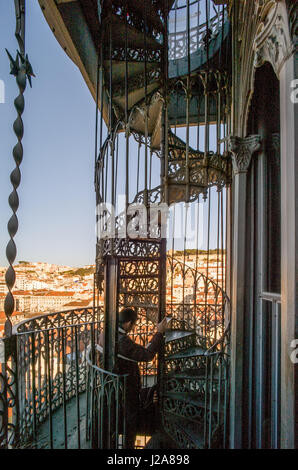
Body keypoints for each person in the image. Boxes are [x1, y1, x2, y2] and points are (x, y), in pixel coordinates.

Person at [99, 307, 168, 449]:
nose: (133, 327)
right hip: (126, 388)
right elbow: (147, 354)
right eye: (134, 325)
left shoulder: (106, 332)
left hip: (112, 385)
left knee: (117, 418)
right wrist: (159, 333)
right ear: (129, 323)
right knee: (130, 421)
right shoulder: (122, 341)